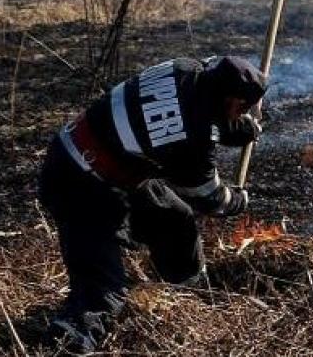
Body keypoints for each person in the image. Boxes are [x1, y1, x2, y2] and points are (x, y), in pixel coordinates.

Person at [38, 55, 266, 353]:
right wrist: (237, 200)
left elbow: (190, 110)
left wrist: (238, 128)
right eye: (242, 107)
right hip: (79, 182)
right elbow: (208, 198)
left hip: (113, 166)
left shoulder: (185, 67)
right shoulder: (194, 139)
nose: (245, 112)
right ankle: (70, 340)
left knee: (175, 222)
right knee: (102, 290)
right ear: (229, 99)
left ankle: (188, 297)